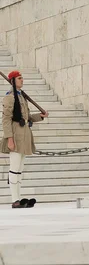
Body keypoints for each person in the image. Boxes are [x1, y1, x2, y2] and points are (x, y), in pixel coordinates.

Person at [2, 70, 48, 208]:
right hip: (16, 135)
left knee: (20, 168)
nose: (22, 80)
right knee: (14, 167)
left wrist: (40, 116)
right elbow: (5, 119)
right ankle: (15, 199)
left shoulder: (21, 97)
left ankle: (19, 198)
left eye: (22, 78)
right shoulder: (10, 97)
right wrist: (9, 138)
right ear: (13, 81)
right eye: (20, 78)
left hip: (25, 135)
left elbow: (26, 117)